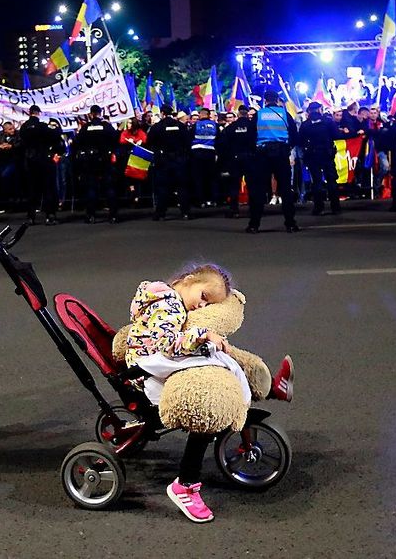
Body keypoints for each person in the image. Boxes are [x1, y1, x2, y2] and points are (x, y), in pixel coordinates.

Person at [123, 263, 294, 523]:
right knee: (207, 399)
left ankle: (268, 386)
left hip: (154, 360)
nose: (201, 307)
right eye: (203, 298)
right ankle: (185, 485)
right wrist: (202, 335)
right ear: (188, 280)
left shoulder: (169, 301)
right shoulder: (166, 304)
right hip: (149, 368)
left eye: (207, 305)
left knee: (222, 358)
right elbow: (166, 343)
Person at [247, 90, 299, 232]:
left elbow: (251, 136)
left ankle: (254, 225)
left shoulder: (259, 114)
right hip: (281, 154)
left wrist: (255, 150)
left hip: (263, 154)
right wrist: (287, 147)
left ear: (265, 100)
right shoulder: (285, 114)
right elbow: (294, 135)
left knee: (259, 190)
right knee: (286, 189)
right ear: (277, 100)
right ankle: (290, 223)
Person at [71, 105, 118, 223]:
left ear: (91, 114)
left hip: (90, 160)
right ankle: (113, 216)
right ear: (100, 113)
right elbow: (116, 139)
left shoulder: (86, 128)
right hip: (105, 159)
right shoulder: (106, 126)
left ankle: (91, 215)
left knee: (91, 188)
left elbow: (77, 143)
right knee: (109, 187)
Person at [145, 105, 192, 220]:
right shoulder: (181, 126)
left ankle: (161, 213)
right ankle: (185, 212)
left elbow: (149, 141)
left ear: (162, 113)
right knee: (182, 187)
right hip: (179, 160)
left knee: (163, 188)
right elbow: (187, 142)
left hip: (163, 160)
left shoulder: (157, 127)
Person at [18, 105, 64, 225]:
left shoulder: (24, 127)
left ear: (29, 113)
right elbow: (56, 135)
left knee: (32, 189)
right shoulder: (43, 126)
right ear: (38, 113)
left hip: (30, 161)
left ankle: (31, 217)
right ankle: (50, 215)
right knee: (48, 188)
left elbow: (20, 143)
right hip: (44, 159)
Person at [297, 102, 343, 215]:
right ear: (320, 110)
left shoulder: (306, 125)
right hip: (327, 154)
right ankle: (335, 207)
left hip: (313, 155)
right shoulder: (328, 122)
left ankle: (318, 207)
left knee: (317, 182)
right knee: (331, 180)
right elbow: (337, 136)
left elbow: (300, 141)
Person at [216, 104, 256, 219]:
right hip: (250, 158)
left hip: (235, 159)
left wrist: (225, 160)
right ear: (247, 113)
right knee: (252, 184)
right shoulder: (253, 126)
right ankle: (253, 209)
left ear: (238, 114)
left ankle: (234, 209)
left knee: (234, 185)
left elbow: (222, 145)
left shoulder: (231, 127)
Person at [190, 106, 219, 208]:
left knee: (198, 178)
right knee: (212, 178)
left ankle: (200, 200)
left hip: (197, 153)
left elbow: (190, 138)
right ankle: (213, 200)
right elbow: (219, 140)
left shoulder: (195, 125)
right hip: (210, 153)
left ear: (201, 114)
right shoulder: (215, 125)